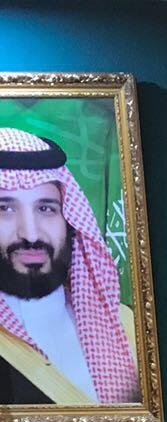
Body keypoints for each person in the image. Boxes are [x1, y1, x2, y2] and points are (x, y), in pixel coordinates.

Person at [0, 128, 139, 405]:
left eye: (46, 209)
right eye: (5, 209)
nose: (31, 234)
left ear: (70, 222)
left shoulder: (124, 325)